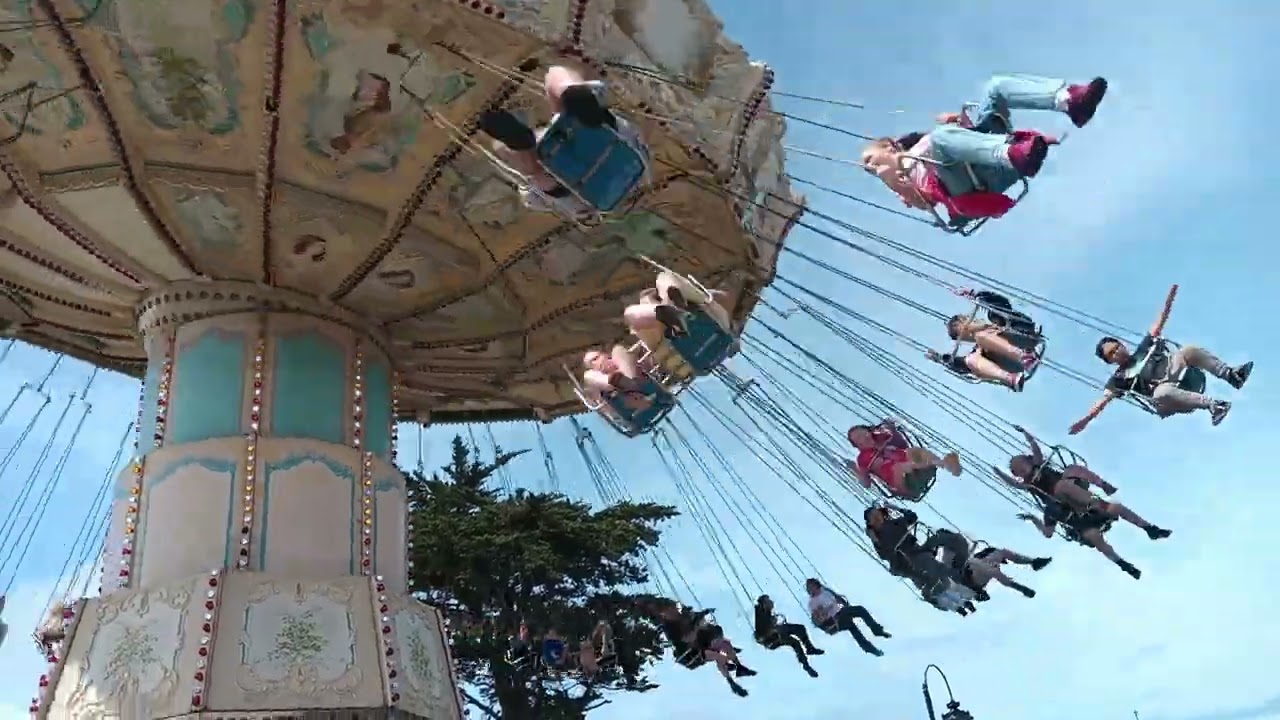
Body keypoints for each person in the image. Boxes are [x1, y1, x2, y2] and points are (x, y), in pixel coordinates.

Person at [1069, 284, 1252, 433]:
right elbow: (1102, 402)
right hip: (1167, 396)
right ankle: (1214, 406)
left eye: (1116, 347)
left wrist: (1169, 300)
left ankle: (1231, 375)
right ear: (1109, 361)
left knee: (1188, 350)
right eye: (1111, 354)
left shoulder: (1142, 350)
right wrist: (1085, 420)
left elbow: (1159, 323)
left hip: (1181, 375)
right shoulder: (1119, 379)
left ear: (1122, 344)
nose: (1117, 352)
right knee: (1161, 393)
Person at [477, 65, 647, 217]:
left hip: (606, 144)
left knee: (556, 74)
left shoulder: (644, 171)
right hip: (580, 173)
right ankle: (524, 146)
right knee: (537, 172)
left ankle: (570, 90)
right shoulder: (590, 207)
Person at [997, 426, 1173, 543]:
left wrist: (1027, 436)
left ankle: (1149, 528)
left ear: (1028, 461)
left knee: (1073, 469)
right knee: (1061, 498)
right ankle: (1090, 514)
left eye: (1021, 464)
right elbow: (1015, 485)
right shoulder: (1028, 484)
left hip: (1072, 485)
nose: (1021, 469)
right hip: (1059, 500)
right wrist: (999, 474)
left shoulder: (1038, 463)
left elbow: (1036, 450)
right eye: (1017, 470)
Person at [860, 129, 1050, 223]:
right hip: (958, 192)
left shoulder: (916, 151)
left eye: (869, 159)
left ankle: (1020, 148)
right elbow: (926, 204)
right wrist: (900, 186)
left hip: (981, 175)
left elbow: (953, 138)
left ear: (887, 147)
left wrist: (956, 124)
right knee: (940, 138)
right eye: (868, 167)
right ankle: (1012, 151)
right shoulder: (900, 182)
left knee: (995, 91)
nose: (869, 166)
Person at [864, 506, 977, 615]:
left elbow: (912, 517)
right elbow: (884, 555)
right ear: (870, 523)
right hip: (903, 561)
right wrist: (874, 539)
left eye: (877, 514)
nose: (877, 517)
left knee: (934, 570)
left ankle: (963, 591)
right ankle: (955, 604)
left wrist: (896, 508)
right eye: (873, 516)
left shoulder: (895, 523)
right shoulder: (878, 538)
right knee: (928, 581)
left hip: (916, 552)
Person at [1018, 502, 1143, 580]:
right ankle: (1124, 564)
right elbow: (1048, 532)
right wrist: (1033, 519)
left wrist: (1033, 519)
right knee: (1098, 539)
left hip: (1087, 515)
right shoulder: (1050, 511)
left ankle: (1148, 528)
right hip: (1085, 524)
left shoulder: (1053, 506)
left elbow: (1048, 533)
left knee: (1114, 510)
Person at [657, 603, 756, 697]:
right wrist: (697, 626)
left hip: (702, 646)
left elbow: (704, 626)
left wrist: (704, 616)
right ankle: (730, 681)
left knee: (725, 644)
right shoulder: (675, 629)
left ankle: (739, 666)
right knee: (718, 655)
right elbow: (687, 639)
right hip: (692, 654)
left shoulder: (691, 620)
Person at [846, 422, 961, 498]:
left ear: (869, 432)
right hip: (902, 484)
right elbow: (866, 483)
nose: (863, 439)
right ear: (857, 446)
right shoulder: (862, 459)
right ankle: (932, 464)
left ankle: (945, 464)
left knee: (913, 451)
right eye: (858, 439)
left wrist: (891, 429)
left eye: (863, 434)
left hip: (918, 470)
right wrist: (856, 471)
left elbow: (901, 442)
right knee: (900, 467)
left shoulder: (883, 437)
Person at [803, 578, 891, 656]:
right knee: (860, 610)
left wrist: (842, 602)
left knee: (854, 629)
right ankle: (876, 631)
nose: (811, 590)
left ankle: (872, 649)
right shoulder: (812, 603)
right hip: (834, 618)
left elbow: (837, 599)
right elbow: (818, 617)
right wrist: (824, 611)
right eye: (809, 588)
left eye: (812, 586)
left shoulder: (826, 592)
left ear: (816, 585)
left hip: (842, 613)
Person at [753, 594, 823, 677]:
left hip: (775, 634)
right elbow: (762, 632)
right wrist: (774, 627)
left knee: (799, 629)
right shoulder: (761, 614)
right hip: (771, 639)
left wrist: (774, 624)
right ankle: (806, 664)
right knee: (795, 642)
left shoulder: (765, 612)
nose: (772, 602)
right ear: (764, 604)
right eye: (769, 601)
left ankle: (809, 649)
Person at [580, 344, 659, 411]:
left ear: (605, 355)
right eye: (591, 365)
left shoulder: (618, 358)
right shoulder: (592, 376)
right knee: (588, 376)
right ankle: (629, 385)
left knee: (618, 350)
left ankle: (631, 383)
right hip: (625, 403)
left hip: (645, 384)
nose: (595, 363)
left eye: (596, 358)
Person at [962, 546, 1051, 600]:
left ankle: (1033, 562)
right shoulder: (977, 561)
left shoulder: (992, 559)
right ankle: (1020, 587)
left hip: (980, 573)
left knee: (999, 559)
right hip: (974, 578)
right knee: (989, 569)